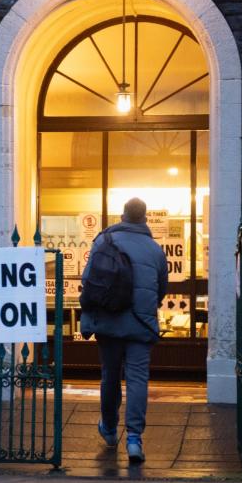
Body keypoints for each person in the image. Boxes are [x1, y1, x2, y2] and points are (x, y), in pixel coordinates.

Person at [79, 197, 168, 462]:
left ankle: (108, 427)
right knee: (138, 379)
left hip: (108, 320)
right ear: (145, 218)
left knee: (110, 376)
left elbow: (87, 280)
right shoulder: (155, 250)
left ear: (123, 216)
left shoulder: (104, 242)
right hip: (141, 325)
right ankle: (133, 439)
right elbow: (162, 289)